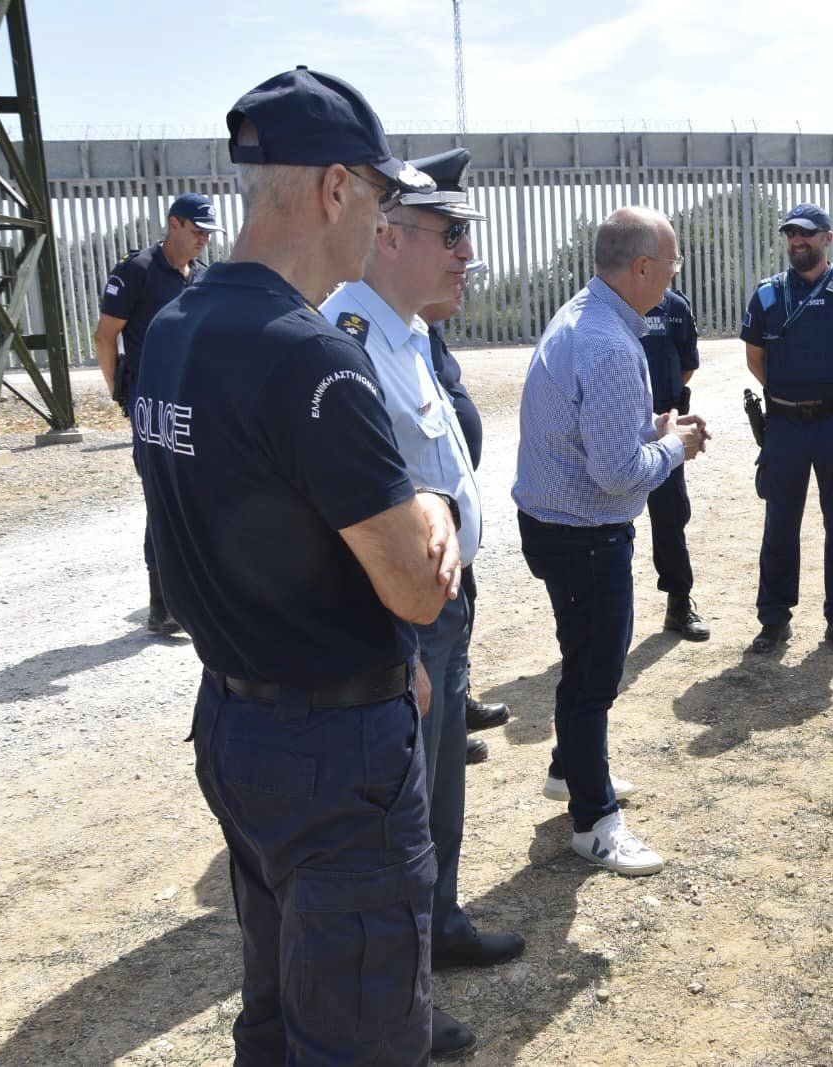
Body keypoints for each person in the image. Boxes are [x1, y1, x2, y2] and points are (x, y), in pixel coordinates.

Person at [133, 67, 480, 1061]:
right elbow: (414, 580)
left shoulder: (178, 327)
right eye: (377, 201)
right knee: (361, 1031)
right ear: (335, 189)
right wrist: (428, 506)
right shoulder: (313, 354)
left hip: (238, 722)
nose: (381, 229)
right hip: (333, 756)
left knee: (279, 1012)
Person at [323, 147, 525, 976]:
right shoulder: (349, 337)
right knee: (401, 805)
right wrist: (400, 641)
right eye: (450, 234)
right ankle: (401, 962)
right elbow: (349, 519)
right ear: (388, 235)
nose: (465, 253)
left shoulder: (405, 334)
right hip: (400, 616)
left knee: (440, 785)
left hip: (440, 603)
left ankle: (435, 925)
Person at [514, 206, 707, 876]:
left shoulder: (582, 316)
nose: (677, 271)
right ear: (643, 267)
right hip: (586, 535)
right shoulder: (614, 345)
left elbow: (591, 429)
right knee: (595, 673)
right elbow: (618, 473)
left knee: (581, 659)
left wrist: (647, 427)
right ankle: (594, 821)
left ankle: (573, 768)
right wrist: (675, 447)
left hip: (553, 525)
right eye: (673, 260)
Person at [743, 203, 833, 655]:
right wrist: (791, 397)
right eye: (790, 234)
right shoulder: (767, 296)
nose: (796, 241)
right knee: (779, 524)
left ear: (828, 237)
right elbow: (755, 360)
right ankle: (774, 619)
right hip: (784, 426)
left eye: (805, 233)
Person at [94, 192, 222, 634]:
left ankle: (190, 595)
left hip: (195, 407)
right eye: (197, 229)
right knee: (165, 499)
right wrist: (120, 393)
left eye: (209, 232)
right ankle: (162, 605)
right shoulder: (138, 271)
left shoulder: (202, 278)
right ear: (174, 223)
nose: (204, 238)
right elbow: (105, 336)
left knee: (199, 497)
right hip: (152, 407)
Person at [420, 293, 512, 762]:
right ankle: (443, 729)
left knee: (460, 621)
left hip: (452, 518)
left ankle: (457, 707)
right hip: (425, 527)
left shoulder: (426, 332)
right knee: (432, 640)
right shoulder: (386, 333)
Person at [641, 288, 710, 640]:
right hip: (612, 422)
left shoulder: (676, 307)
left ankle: (678, 604)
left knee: (670, 515)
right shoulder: (609, 303)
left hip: (664, 424)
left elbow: (686, 365)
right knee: (601, 521)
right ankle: (592, 618)